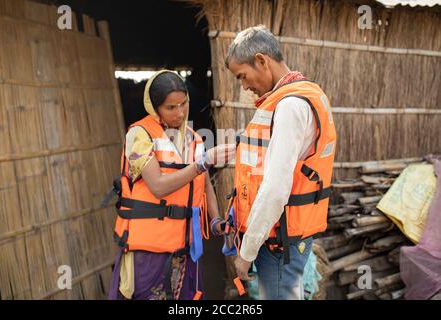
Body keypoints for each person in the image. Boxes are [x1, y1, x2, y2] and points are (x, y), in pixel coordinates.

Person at [224, 25, 337, 300]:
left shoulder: (289, 106)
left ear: (262, 60)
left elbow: (275, 191)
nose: (245, 86)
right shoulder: (306, 95)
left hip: (277, 245)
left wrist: (246, 253)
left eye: (243, 76)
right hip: (286, 240)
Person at [106, 70, 235, 300]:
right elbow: (158, 186)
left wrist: (215, 221)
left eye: (183, 104)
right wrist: (203, 163)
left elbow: (205, 186)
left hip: (185, 250)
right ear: (154, 108)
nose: (180, 112)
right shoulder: (139, 136)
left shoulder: (194, 138)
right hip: (149, 253)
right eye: (170, 107)